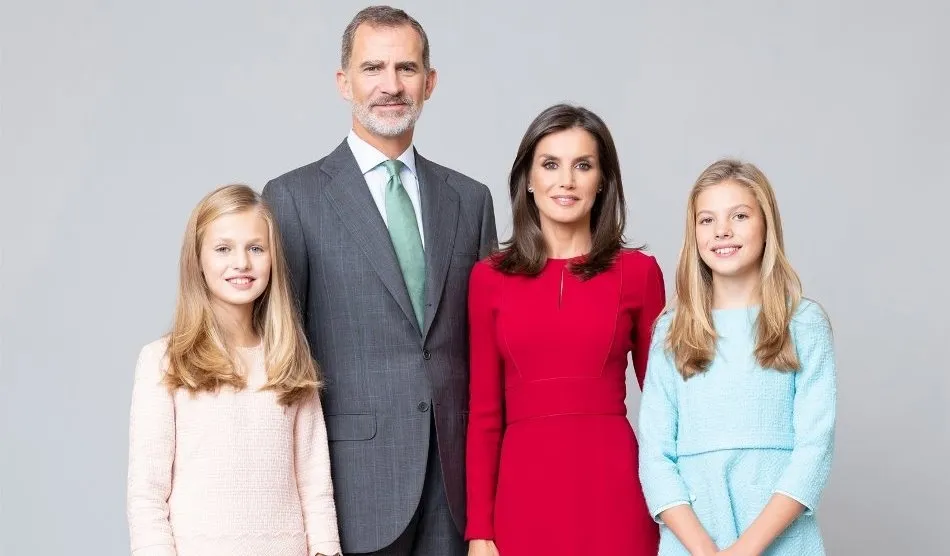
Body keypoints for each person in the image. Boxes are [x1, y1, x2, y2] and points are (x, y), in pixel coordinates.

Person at [261, 6, 497, 555]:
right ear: (344, 82)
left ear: (430, 82)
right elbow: (281, 357)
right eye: (373, 69)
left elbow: (486, 348)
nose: (390, 86)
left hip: (455, 486)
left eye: (406, 69)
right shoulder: (293, 199)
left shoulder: (470, 199)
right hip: (350, 483)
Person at [465, 103, 664, 556]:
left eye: (583, 165)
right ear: (529, 181)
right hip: (521, 496)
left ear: (602, 180)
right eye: (550, 164)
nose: (566, 180)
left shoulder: (639, 273)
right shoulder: (488, 279)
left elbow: (665, 404)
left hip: (616, 489)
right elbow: (483, 415)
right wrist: (481, 531)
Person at [126, 184, 341, 556]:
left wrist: (326, 550)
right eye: (223, 249)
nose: (241, 263)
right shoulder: (164, 361)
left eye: (256, 248)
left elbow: (314, 484)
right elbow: (147, 494)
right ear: (198, 260)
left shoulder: (289, 359)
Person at [638, 159, 837, 555]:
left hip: (781, 539)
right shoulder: (671, 331)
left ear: (767, 225)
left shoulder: (804, 324)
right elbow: (655, 458)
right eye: (706, 220)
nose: (722, 231)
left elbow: (814, 452)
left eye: (740, 216)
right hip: (692, 541)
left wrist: (745, 550)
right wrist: (705, 551)